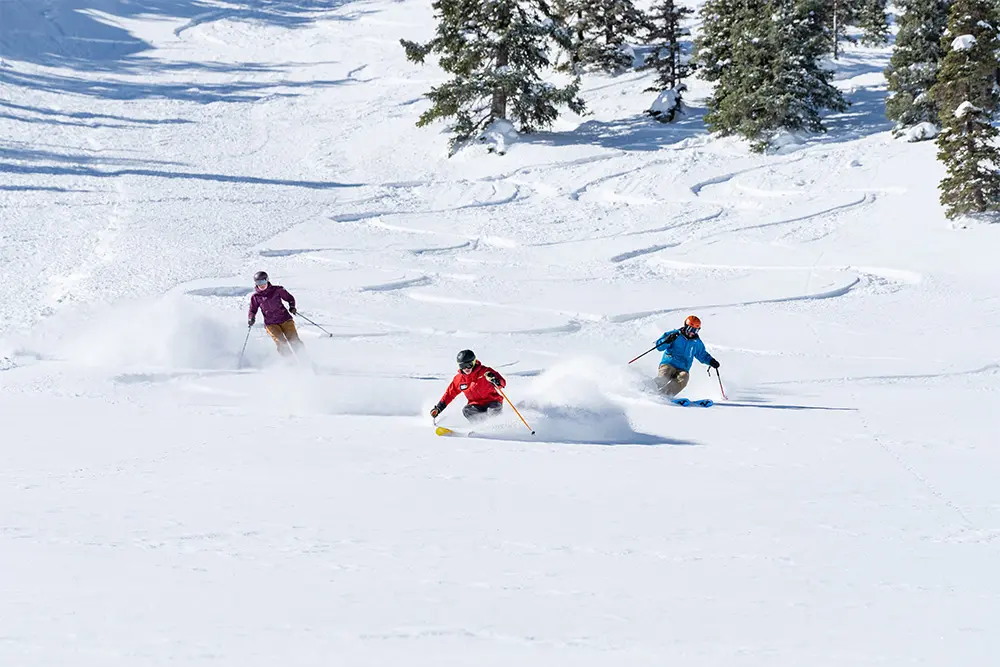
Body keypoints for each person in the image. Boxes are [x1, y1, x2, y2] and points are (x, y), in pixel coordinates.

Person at [430, 350, 506, 423]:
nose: (466, 368)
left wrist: (497, 381)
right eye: (463, 366)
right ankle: (481, 427)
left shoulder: (486, 372)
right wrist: (439, 408)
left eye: (469, 365)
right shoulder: (459, 379)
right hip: (476, 404)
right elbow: (449, 394)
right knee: (467, 410)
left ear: (474, 362)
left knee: (492, 411)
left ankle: (496, 426)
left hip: (493, 401)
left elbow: (503, 383)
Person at [653, 315, 720, 397]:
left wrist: (711, 361)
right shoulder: (675, 335)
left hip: (683, 368)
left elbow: (702, 354)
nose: (692, 332)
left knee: (684, 378)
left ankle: (665, 395)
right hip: (669, 363)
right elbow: (659, 347)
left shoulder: (696, 342)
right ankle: (648, 389)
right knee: (664, 376)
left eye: (695, 330)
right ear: (685, 326)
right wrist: (667, 340)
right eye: (690, 329)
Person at [247, 271, 304, 357]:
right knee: (281, 342)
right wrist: (251, 318)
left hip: (285, 319)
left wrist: (292, 306)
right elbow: (252, 309)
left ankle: (304, 358)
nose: (261, 285)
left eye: (263, 281)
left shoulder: (277, 290)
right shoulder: (256, 297)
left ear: (267, 280)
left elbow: (290, 298)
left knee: (293, 340)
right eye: (258, 282)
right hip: (271, 324)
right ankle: (291, 363)